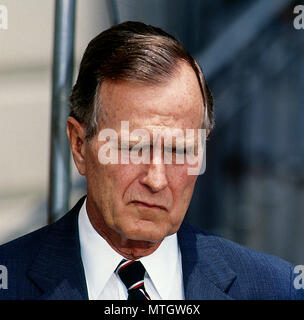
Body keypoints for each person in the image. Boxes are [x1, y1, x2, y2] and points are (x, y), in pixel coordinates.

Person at [0, 21, 302, 300]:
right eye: (134, 148)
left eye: (180, 151)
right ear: (79, 145)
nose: (156, 180)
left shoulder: (277, 289)